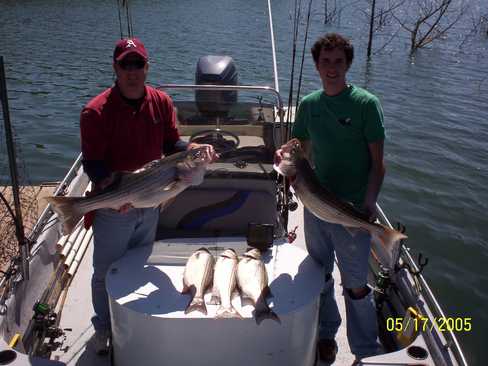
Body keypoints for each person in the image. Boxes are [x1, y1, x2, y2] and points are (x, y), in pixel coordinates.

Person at [80, 37, 216, 355]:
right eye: (125, 64)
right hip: (116, 204)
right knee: (105, 272)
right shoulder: (95, 111)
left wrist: (192, 149)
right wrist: (111, 192)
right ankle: (103, 328)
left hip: (150, 199)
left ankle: (131, 320)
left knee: (137, 264)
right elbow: (93, 163)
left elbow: (172, 144)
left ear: (147, 67)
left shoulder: (161, 102)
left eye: (137, 64)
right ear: (115, 68)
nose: (132, 71)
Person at [276, 33, 385, 362]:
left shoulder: (366, 105)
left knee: (356, 285)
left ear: (348, 64)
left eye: (339, 61)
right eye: (326, 61)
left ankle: (366, 350)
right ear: (317, 65)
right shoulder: (309, 105)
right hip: (315, 204)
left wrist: (367, 207)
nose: (332, 68)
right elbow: (299, 149)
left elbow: (379, 166)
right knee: (320, 273)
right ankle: (327, 333)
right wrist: (287, 155)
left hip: (351, 207)